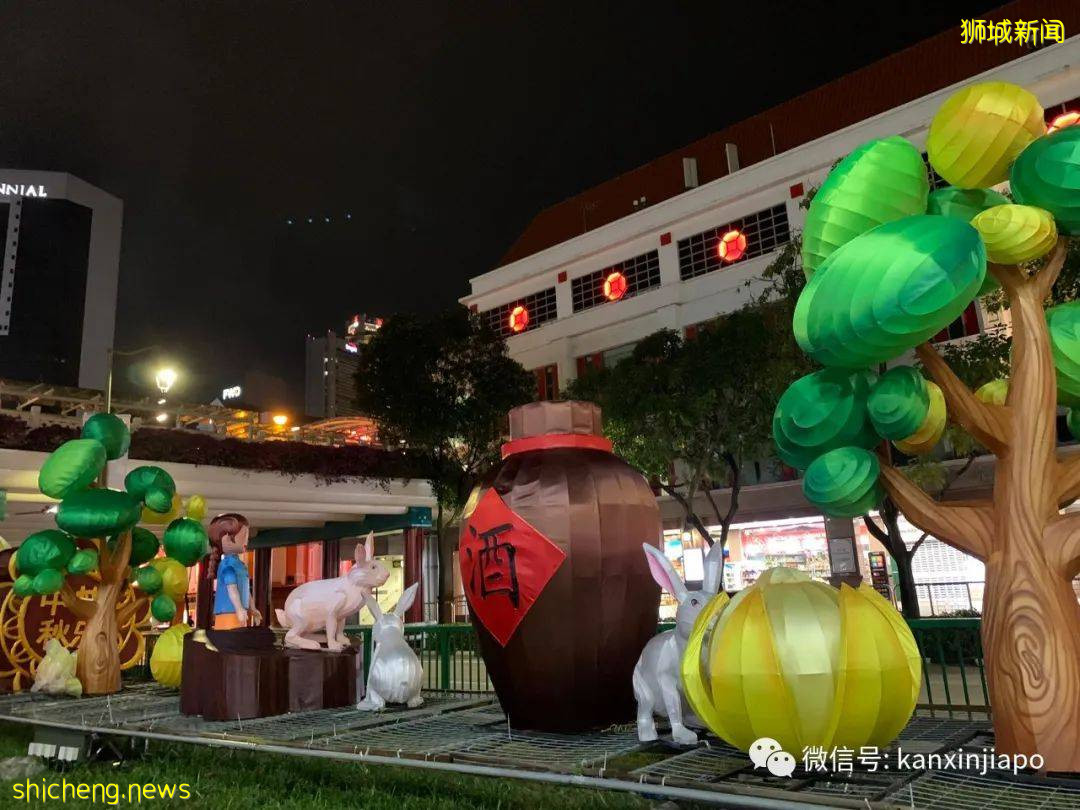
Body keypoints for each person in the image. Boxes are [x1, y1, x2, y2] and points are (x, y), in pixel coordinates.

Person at [206, 513, 261, 630]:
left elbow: (245, 589)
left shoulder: (239, 565)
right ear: (226, 539)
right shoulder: (227, 565)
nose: (246, 540)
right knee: (229, 641)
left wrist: (253, 608)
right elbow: (232, 589)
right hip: (228, 613)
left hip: (239, 612)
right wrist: (239, 608)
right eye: (243, 536)